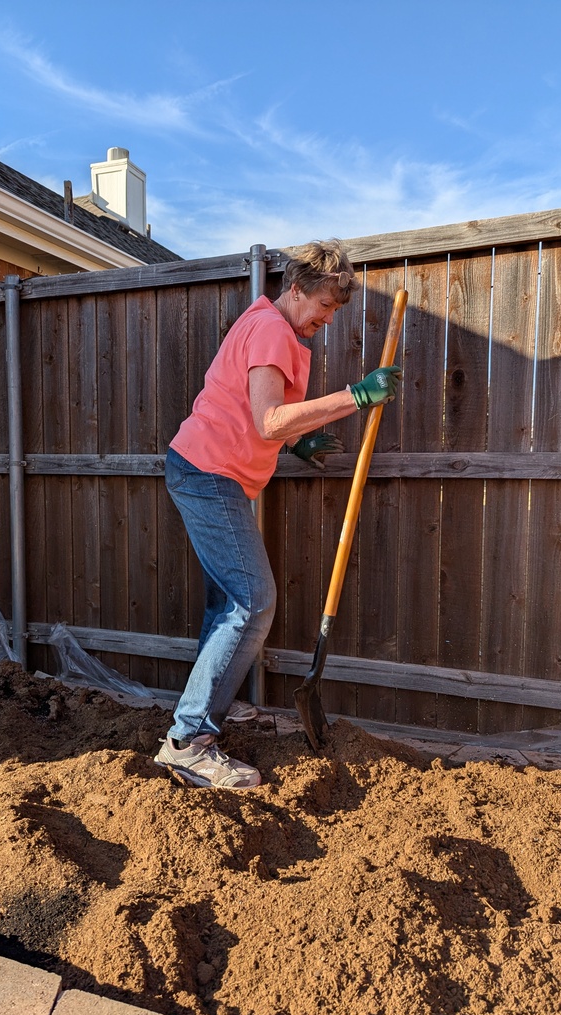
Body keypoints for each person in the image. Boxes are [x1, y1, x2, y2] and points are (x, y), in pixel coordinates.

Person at [154, 240, 401, 790]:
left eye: (336, 311)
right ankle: (188, 741)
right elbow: (268, 419)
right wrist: (357, 396)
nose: (327, 319)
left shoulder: (270, 325)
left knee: (228, 602)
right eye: (325, 306)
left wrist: (298, 444)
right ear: (296, 289)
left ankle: (213, 703)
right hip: (208, 473)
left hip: (209, 471)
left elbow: (250, 408)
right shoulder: (269, 329)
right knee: (252, 600)